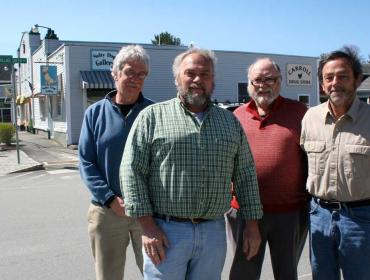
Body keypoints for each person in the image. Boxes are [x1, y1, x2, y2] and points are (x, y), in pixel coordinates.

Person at [120, 48, 263, 280]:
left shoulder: (230, 122)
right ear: (177, 78)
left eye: (205, 74)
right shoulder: (152, 117)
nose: (198, 80)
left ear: (213, 80)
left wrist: (252, 226)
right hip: (165, 232)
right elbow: (132, 171)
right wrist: (147, 226)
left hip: (214, 232)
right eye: (190, 73)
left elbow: (245, 175)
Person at [227, 58, 308, 280]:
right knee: (243, 274)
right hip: (243, 212)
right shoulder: (237, 116)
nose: (263, 84)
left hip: (289, 213)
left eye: (270, 79)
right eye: (258, 80)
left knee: (287, 273)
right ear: (249, 84)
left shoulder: (300, 112)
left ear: (280, 81)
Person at [78, 45, 154, 280]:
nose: (135, 79)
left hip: (148, 213)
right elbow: (86, 162)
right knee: (108, 276)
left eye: (142, 75)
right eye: (130, 72)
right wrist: (110, 199)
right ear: (115, 73)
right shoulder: (94, 113)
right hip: (107, 212)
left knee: (157, 273)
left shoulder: (153, 112)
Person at [301, 46, 370, 280]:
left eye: (342, 76)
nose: (335, 83)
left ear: (357, 80)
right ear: (322, 84)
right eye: (328, 78)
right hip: (318, 215)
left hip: (361, 219)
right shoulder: (310, 118)